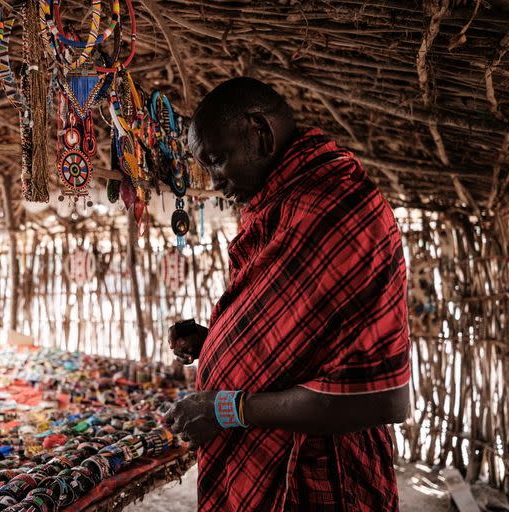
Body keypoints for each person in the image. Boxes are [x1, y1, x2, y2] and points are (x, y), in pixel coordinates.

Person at [165, 77, 410, 511]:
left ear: (261, 133)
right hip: (259, 470)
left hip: (322, 481)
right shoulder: (274, 210)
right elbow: (299, 341)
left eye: (218, 159)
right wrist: (219, 341)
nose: (215, 180)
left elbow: (382, 400)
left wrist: (227, 409)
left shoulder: (339, 210)